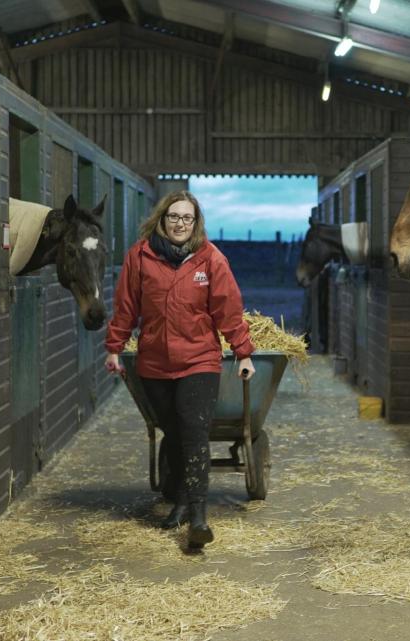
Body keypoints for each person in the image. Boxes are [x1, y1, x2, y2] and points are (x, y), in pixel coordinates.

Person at [104, 190, 255, 548]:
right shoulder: (139, 257)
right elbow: (126, 307)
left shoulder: (210, 259)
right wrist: (114, 347)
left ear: (196, 222)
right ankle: (182, 502)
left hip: (199, 360)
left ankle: (199, 519)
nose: (180, 224)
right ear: (162, 219)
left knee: (194, 432)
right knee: (172, 432)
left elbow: (228, 309)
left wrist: (243, 351)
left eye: (187, 218)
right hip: (154, 363)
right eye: (174, 217)